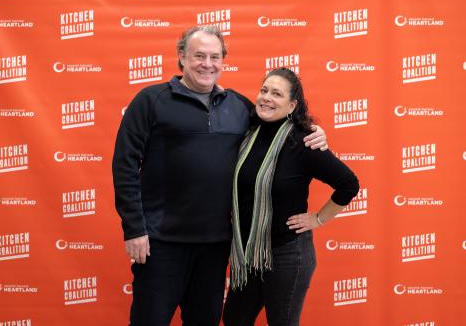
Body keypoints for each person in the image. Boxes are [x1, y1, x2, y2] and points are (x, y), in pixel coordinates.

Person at [112, 26, 328, 326]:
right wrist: (134, 229)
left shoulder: (238, 105)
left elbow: (279, 122)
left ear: (223, 61)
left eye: (215, 56)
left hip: (216, 245)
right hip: (161, 242)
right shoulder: (150, 101)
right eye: (199, 55)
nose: (207, 63)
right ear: (182, 58)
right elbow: (124, 166)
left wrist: (315, 131)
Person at [222, 68, 360, 326]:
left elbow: (349, 184)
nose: (266, 98)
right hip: (249, 253)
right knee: (233, 320)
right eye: (264, 90)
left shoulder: (303, 141)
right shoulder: (248, 132)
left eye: (277, 94)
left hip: (287, 254)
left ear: (292, 105)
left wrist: (318, 219)